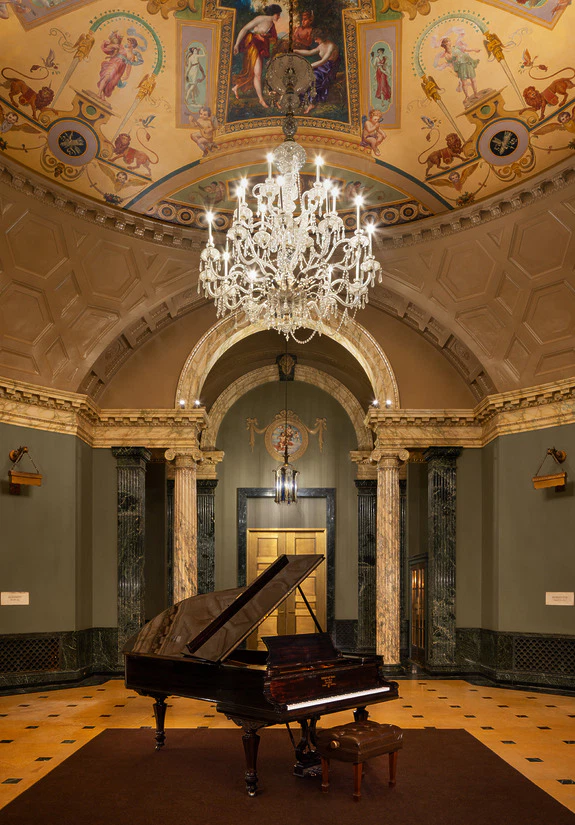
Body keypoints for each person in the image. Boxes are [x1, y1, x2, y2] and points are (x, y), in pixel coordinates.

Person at [231, 4, 281, 108]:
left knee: (255, 74)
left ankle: (236, 87)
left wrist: (265, 36)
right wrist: (236, 44)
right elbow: (245, 29)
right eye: (278, 15)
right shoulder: (260, 18)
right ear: (275, 14)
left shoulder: (271, 24)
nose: (279, 17)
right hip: (253, 46)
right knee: (256, 74)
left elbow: (273, 38)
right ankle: (261, 100)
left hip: (260, 48)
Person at [294, 30, 340, 113]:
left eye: (316, 39)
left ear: (321, 38)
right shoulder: (321, 45)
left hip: (329, 69)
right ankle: (301, 101)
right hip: (321, 67)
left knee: (314, 78)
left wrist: (308, 66)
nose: (315, 41)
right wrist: (296, 51)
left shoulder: (331, 46)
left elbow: (324, 61)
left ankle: (312, 103)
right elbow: (310, 52)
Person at [98, 32, 143, 100]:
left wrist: (127, 75)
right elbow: (108, 47)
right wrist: (113, 45)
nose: (127, 43)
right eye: (127, 42)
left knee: (111, 83)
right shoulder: (121, 48)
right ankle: (99, 92)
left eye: (129, 42)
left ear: (132, 44)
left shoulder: (132, 55)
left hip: (120, 69)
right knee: (107, 76)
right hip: (114, 64)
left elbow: (129, 66)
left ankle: (103, 95)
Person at [439, 36, 480, 103]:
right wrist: (455, 69)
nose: (450, 42)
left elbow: (466, 49)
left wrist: (474, 49)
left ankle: (476, 94)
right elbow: (451, 63)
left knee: (473, 80)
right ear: (445, 44)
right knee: (464, 83)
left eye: (449, 41)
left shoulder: (456, 47)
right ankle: (467, 96)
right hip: (460, 67)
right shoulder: (446, 54)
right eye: (448, 41)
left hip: (467, 63)